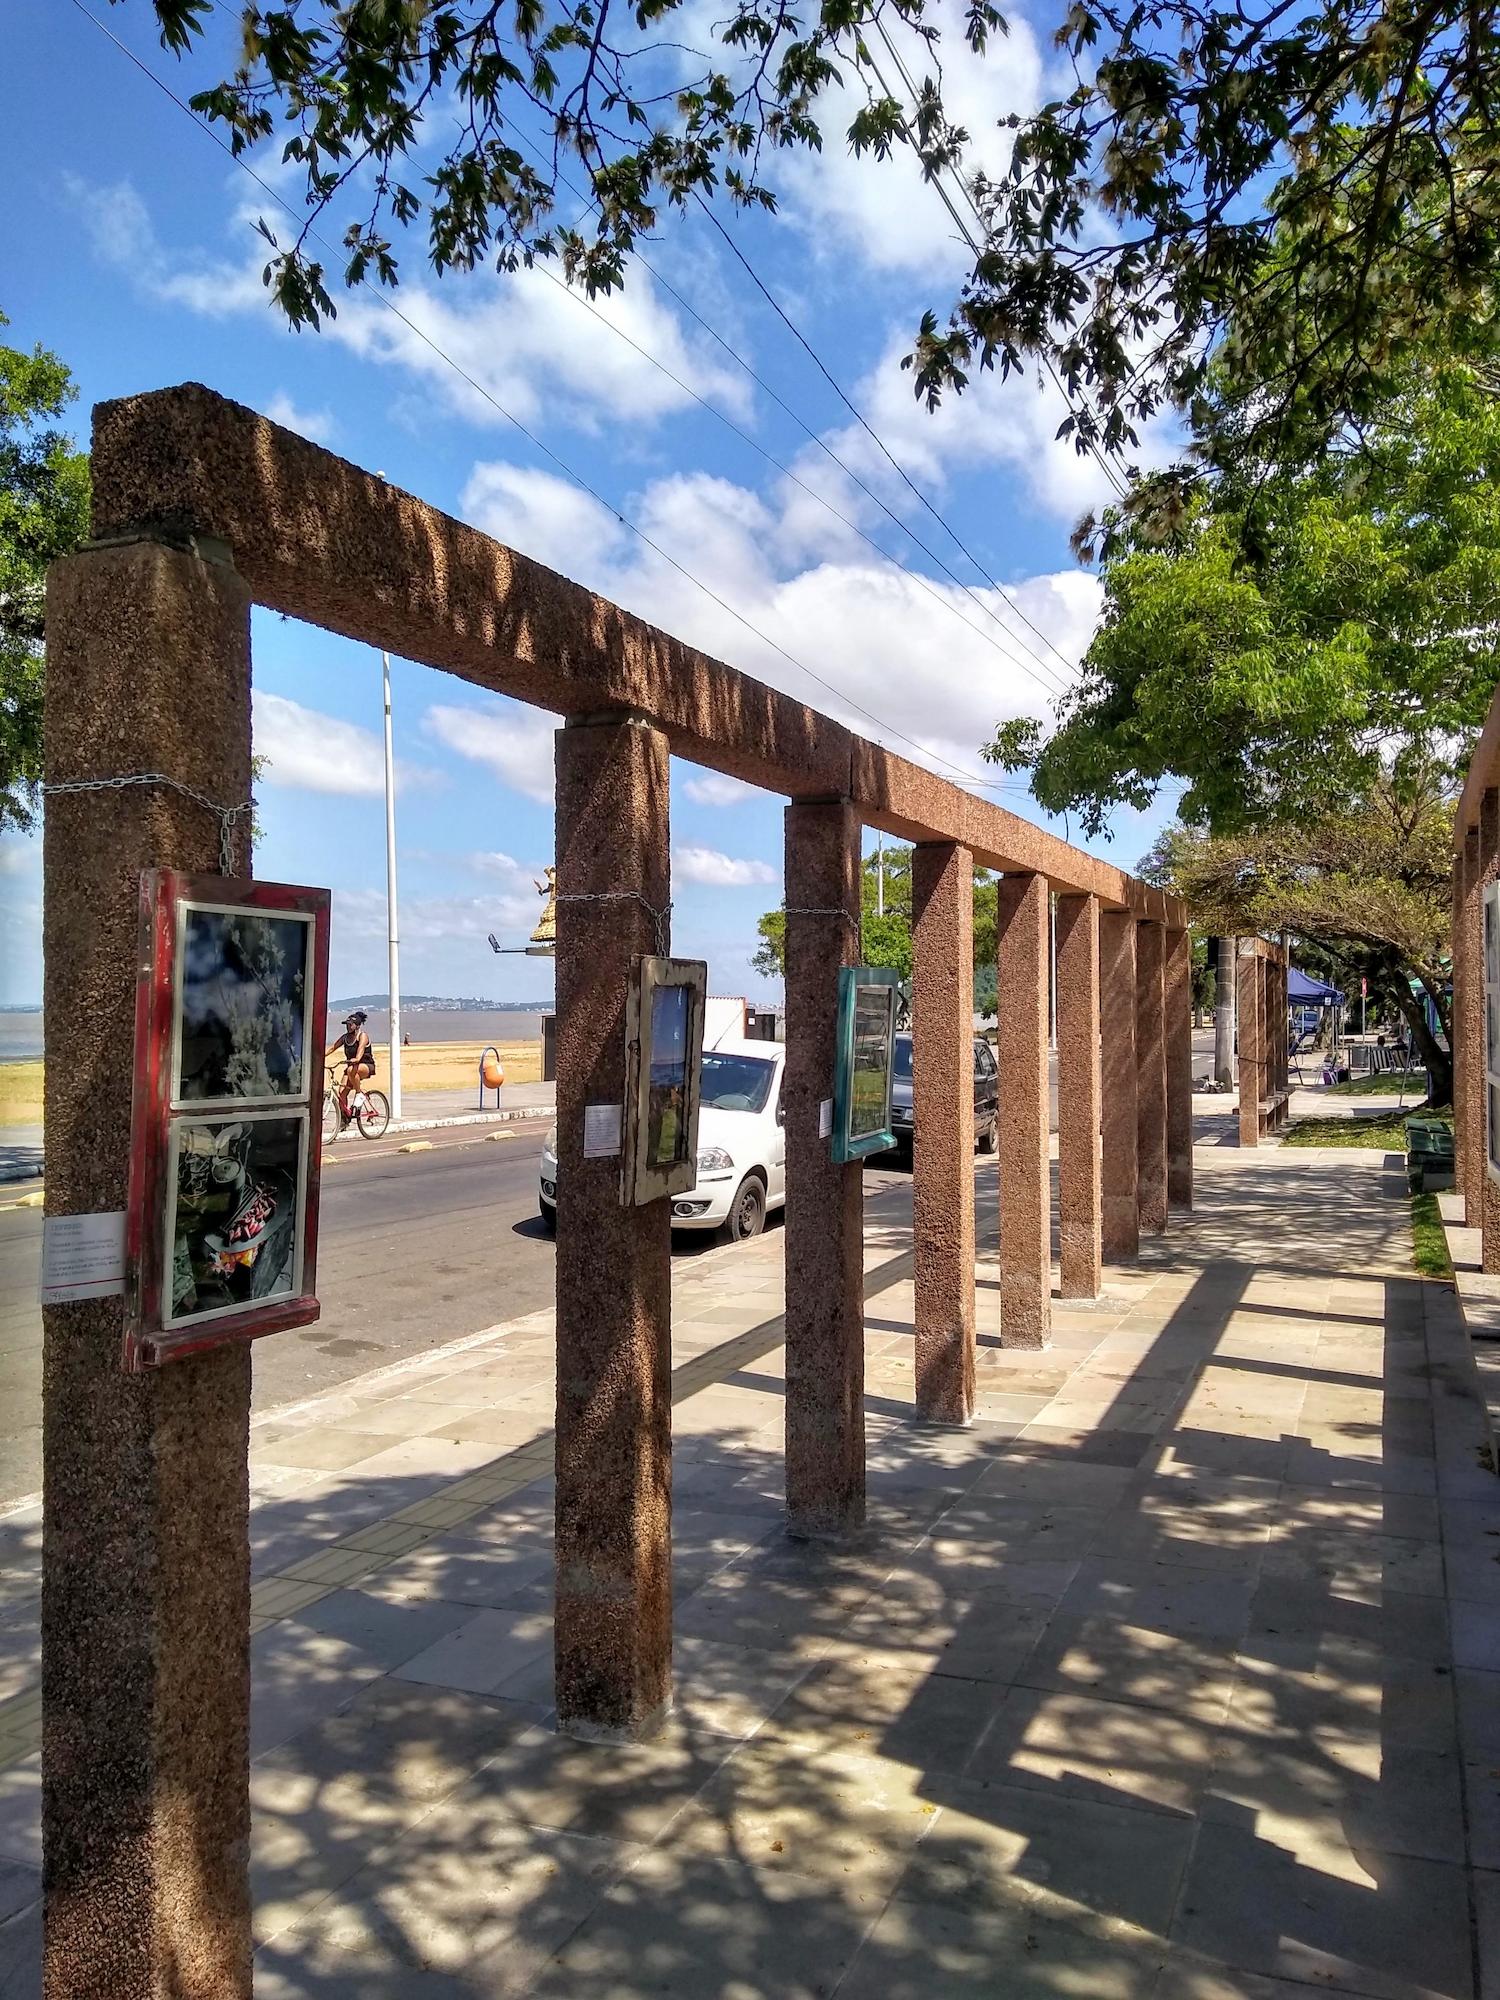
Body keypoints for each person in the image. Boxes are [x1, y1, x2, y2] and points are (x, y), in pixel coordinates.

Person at [327, 1011, 375, 1121]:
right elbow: (333, 1048)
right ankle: (345, 1119)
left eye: (350, 1025)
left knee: (350, 1070)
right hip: (351, 1068)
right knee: (341, 1093)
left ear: (357, 1026)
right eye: (347, 1025)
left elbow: (360, 1049)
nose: (348, 1027)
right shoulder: (345, 1038)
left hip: (366, 1065)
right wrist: (320, 1056)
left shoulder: (362, 1036)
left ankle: (359, 1094)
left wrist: (357, 1059)